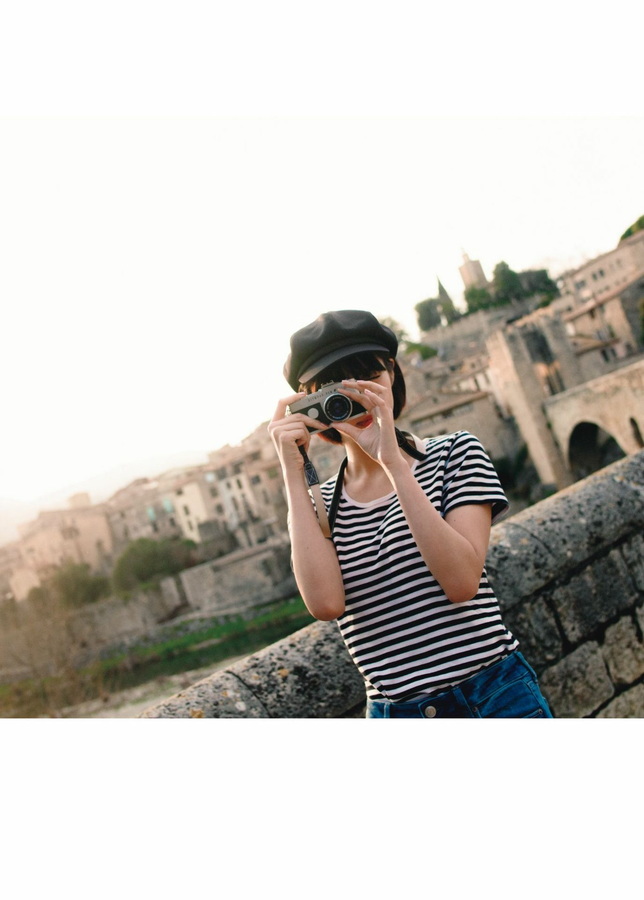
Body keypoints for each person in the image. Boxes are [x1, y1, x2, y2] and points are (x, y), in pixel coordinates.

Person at [269, 309, 553, 718]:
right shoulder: (317, 502)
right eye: (335, 387)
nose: (357, 396)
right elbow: (326, 605)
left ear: (392, 374)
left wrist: (393, 463)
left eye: (367, 376)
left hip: (495, 697)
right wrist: (293, 472)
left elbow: (462, 582)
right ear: (309, 403)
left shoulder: (456, 453)